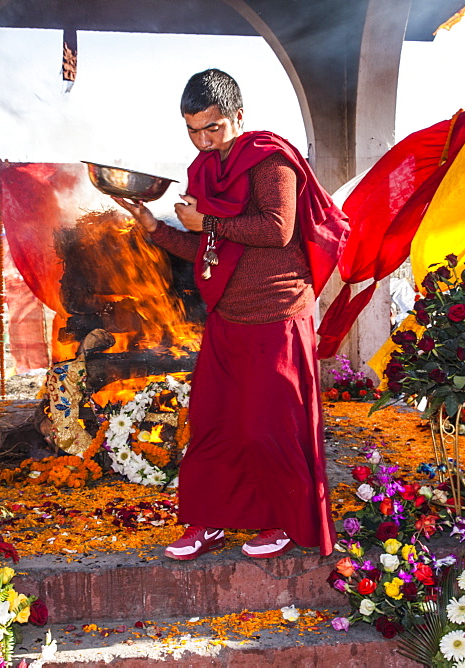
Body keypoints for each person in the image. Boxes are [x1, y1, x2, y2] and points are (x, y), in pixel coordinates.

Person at [113, 69, 349, 560]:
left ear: (238, 116)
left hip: (278, 314)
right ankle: (210, 522)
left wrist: (211, 220)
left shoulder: (270, 159)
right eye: (192, 129)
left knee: (270, 427)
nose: (202, 139)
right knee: (213, 424)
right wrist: (153, 225)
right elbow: (204, 246)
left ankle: (282, 521)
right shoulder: (204, 171)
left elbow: (277, 229)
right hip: (228, 315)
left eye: (212, 128)